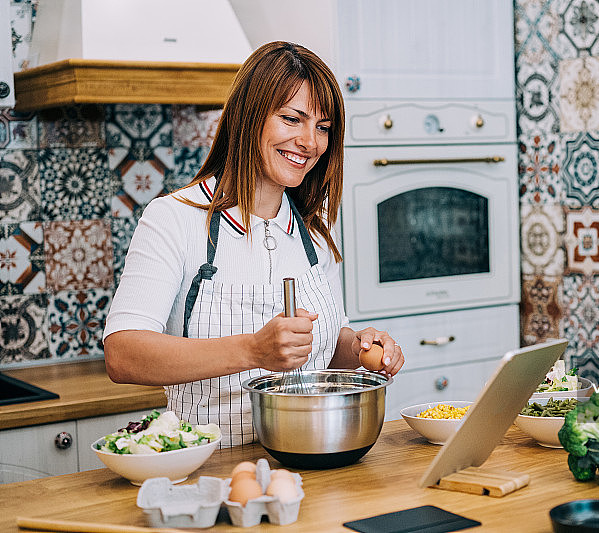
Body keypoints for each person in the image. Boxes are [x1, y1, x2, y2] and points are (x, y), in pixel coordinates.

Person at [103, 41, 404, 447]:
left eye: (323, 127)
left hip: (308, 455)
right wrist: (253, 350)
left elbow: (325, 355)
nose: (310, 141)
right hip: (209, 467)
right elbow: (123, 354)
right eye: (292, 118)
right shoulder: (174, 218)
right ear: (249, 117)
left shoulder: (313, 231)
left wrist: (362, 347)